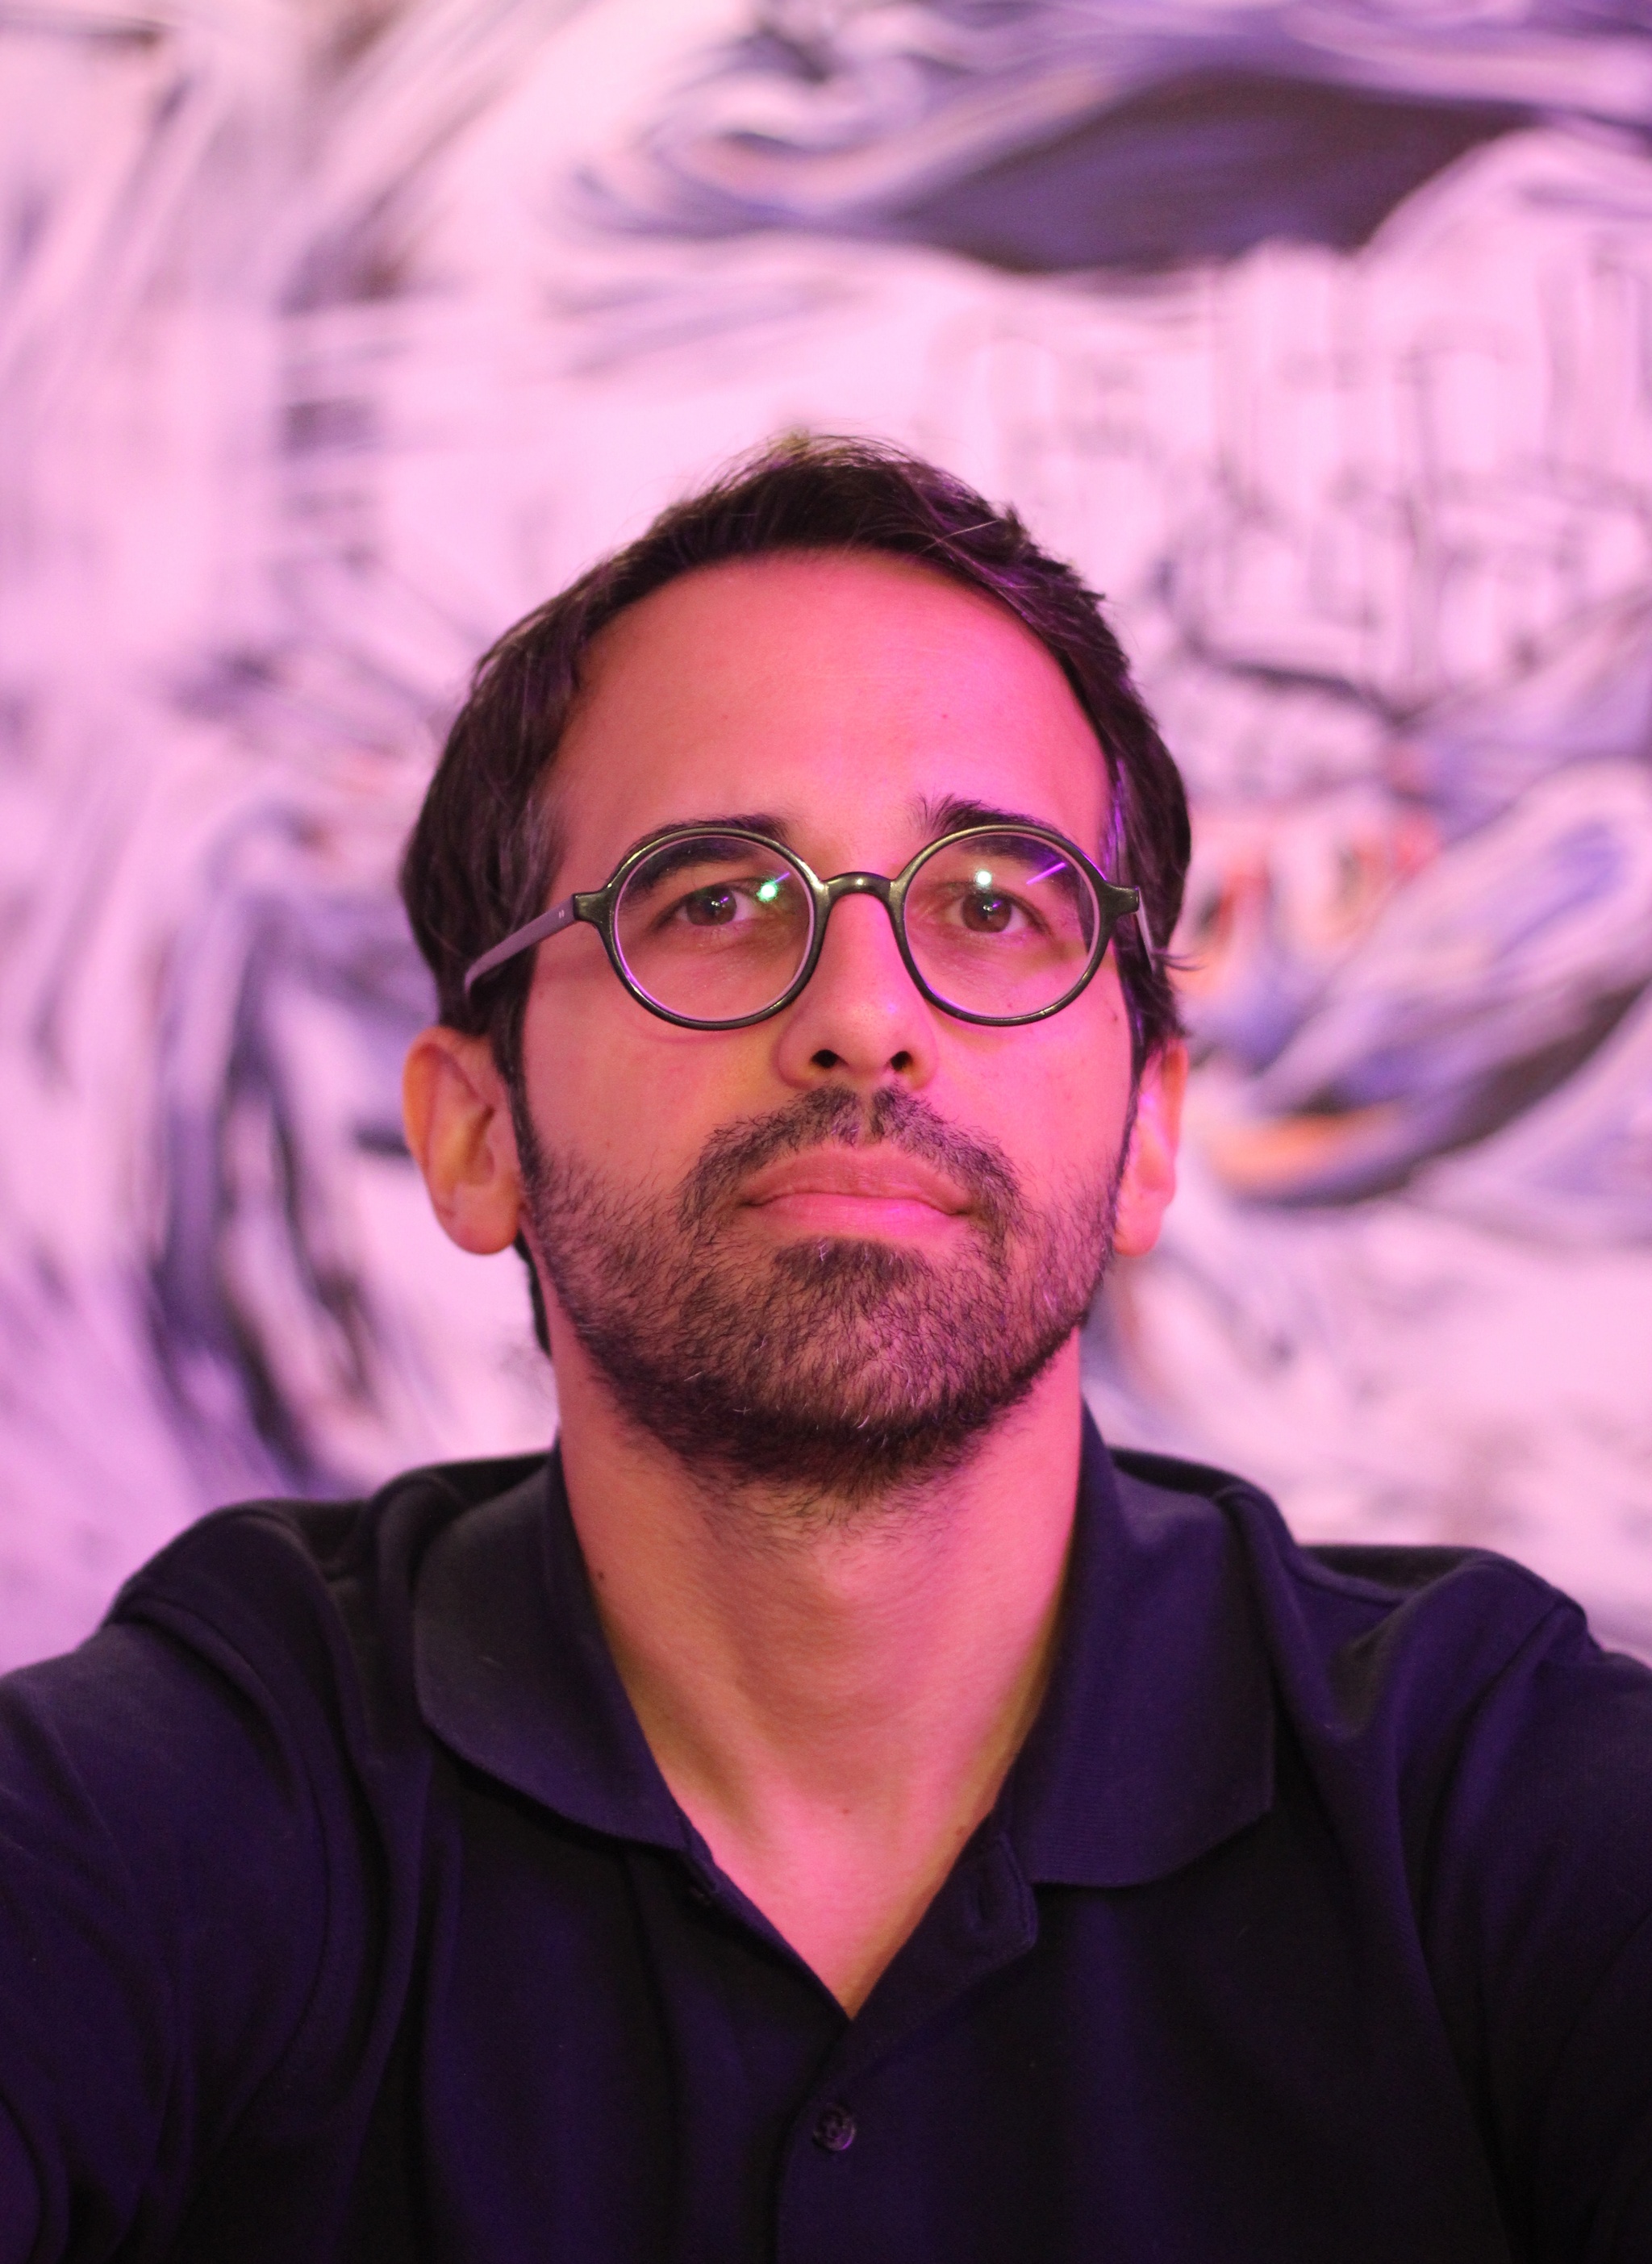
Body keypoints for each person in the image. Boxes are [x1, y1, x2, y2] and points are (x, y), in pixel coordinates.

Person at [2, 436, 1650, 2263]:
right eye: (711, 901)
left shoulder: (1494, 1803)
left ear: (1151, 1130)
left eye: (993, 903)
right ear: (473, 1129)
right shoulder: (193, 1799)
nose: (865, 1019)